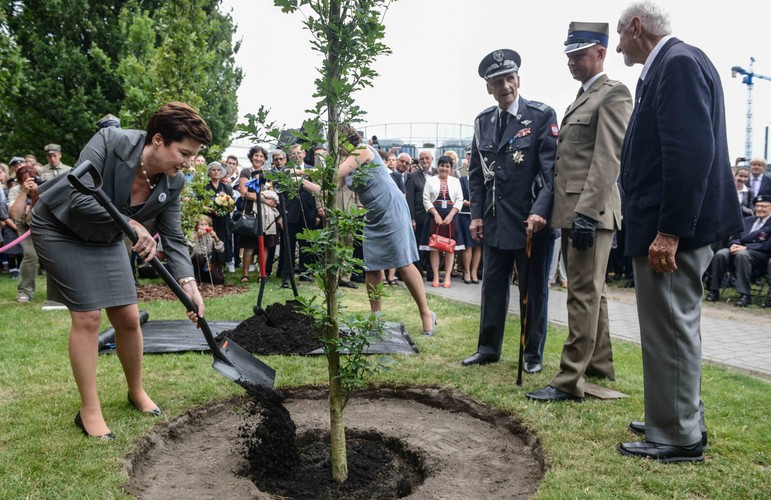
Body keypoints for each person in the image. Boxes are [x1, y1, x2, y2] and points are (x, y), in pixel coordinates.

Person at [30, 101, 211, 439]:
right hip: (60, 227)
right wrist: (133, 225)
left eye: (192, 156)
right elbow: (78, 198)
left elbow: (172, 236)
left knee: (128, 317)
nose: (188, 163)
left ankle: (136, 391)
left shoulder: (173, 182)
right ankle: (89, 411)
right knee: (88, 317)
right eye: (184, 153)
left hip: (110, 235)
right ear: (158, 140)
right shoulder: (111, 142)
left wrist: (189, 283)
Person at [614, 1, 743, 462]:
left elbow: (689, 155)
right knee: (668, 326)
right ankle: (671, 415)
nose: (616, 45)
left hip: (673, 230)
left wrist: (669, 231)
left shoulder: (679, 63)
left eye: (619, 34)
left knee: (670, 326)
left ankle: (677, 435)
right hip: (668, 224)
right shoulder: (673, 63)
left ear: (636, 27)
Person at [527, 22, 632, 403]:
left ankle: (568, 380)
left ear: (601, 53)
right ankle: (599, 366)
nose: (571, 61)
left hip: (590, 212)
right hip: (575, 211)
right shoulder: (583, 96)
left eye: (579, 54)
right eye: (569, 55)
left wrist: (587, 213)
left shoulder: (613, 93)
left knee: (582, 295)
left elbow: (607, 159)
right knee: (594, 293)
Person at [462, 48, 558, 372]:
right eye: (497, 81)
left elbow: (552, 172)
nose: (505, 85)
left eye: (509, 78)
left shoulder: (540, 115)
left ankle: (532, 355)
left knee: (533, 291)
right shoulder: (483, 121)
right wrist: (476, 214)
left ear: (518, 79)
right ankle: (488, 348)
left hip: (532, 221)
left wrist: (542, 211)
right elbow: (476, 174)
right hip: (495, 222)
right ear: (488, 87)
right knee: (492, 287)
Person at [336, 124, 436, 335]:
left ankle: (426, 313)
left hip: (391, 207)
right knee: (372, 266)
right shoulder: (346, 160)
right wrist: (302, 182)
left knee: (403, 262)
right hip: (373, 215)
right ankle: (376, 318)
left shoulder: (362, 150)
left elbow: (334, 173)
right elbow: (330, 185)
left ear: (343, 139)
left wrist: (302, 170)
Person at [705, 194, 771, 306]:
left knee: (743, 255)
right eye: (758, 206)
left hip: (759, 256)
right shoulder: (748, 220)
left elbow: (767, 245)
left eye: (764, 206)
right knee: (721, 254)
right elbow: (736, 236)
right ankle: (714, 290)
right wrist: (734, 244)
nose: (759, 209)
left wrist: (746, 247)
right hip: (738, 250)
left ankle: (744, 295)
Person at [419, 155, 465, 288]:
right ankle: (436, 276)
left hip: (451, 215)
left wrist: (451, 214)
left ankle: (448, 276)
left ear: (451, 169)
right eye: (442, 165)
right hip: (434, 215)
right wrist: (435, 214)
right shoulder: (431, 181)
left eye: (447, 166)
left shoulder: (456, 181)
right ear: (438, 166)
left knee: (450, 247)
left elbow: (460, 199)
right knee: (434, 246)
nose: (444, 168)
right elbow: (426, 199)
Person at [7, 164, 41, 302]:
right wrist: (23, 192)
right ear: (20, 181)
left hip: (45, 224)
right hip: (24, 226)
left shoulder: (43, 186)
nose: (29, 183)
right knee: (30, 255)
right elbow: (14, 215)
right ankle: (25, 291)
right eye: (24, 180)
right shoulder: (15, 190)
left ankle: (59, 294)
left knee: (55, 256)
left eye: (31, 179)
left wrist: (37, 195)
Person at [203, 161, 234, 275]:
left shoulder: (226, 187)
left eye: (218, 170)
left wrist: (225, 208)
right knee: (210, 242)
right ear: (209, 172)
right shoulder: (205, 187)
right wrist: (211, 209)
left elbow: (231, 204)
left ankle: (220, 270)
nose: (216, 172)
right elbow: (200, 204)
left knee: (222, 241)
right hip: (210, 220)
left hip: (223, 220)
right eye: (213, 170)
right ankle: (210, 271)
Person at [189, 214, 225, 285]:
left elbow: (221, 250)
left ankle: (203, 278)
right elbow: (188, 246)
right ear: (197, 226)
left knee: (219, 279)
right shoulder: (192, 234)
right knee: (200, 258)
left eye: (206, 224)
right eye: (201, 224)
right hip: (193, 263)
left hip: (206, 264)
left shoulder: (210, 235)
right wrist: (196, 236)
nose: (204, 227)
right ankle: (196, 280)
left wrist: (216, 238)